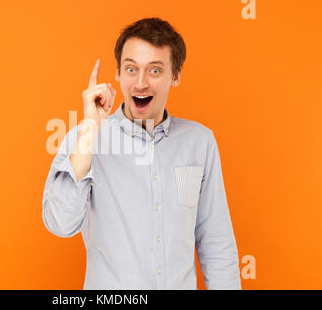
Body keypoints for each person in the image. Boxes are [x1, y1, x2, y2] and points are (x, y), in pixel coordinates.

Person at [42, 17, 241, 290]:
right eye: (131, 69)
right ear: (118, 73)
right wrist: (90, 129)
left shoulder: (200, 142)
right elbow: (60, 223)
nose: (141, 83)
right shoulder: (84, 138)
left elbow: (216, 240)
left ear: (176, 75)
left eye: (155, 71)